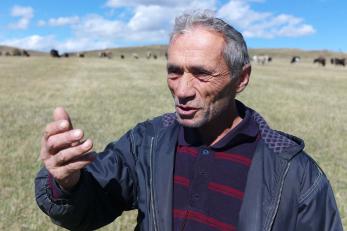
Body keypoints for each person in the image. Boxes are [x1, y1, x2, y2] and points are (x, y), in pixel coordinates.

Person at [35, 10, 343, 231]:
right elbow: (87, 211)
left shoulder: (295, 175)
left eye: (201, 73)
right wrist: (68, 182)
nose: (182, 90)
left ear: (242, 78)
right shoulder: (148, 142)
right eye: (174, 72)